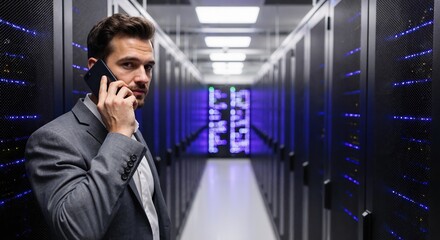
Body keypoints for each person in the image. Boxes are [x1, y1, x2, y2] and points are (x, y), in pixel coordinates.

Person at [25, 13, 171, 240]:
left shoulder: (132, 127)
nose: (143, 77)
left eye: (148, 67)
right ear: (96, 69)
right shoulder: (52, 140)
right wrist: (120, 135)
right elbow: (76, 229)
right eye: (129, 64)